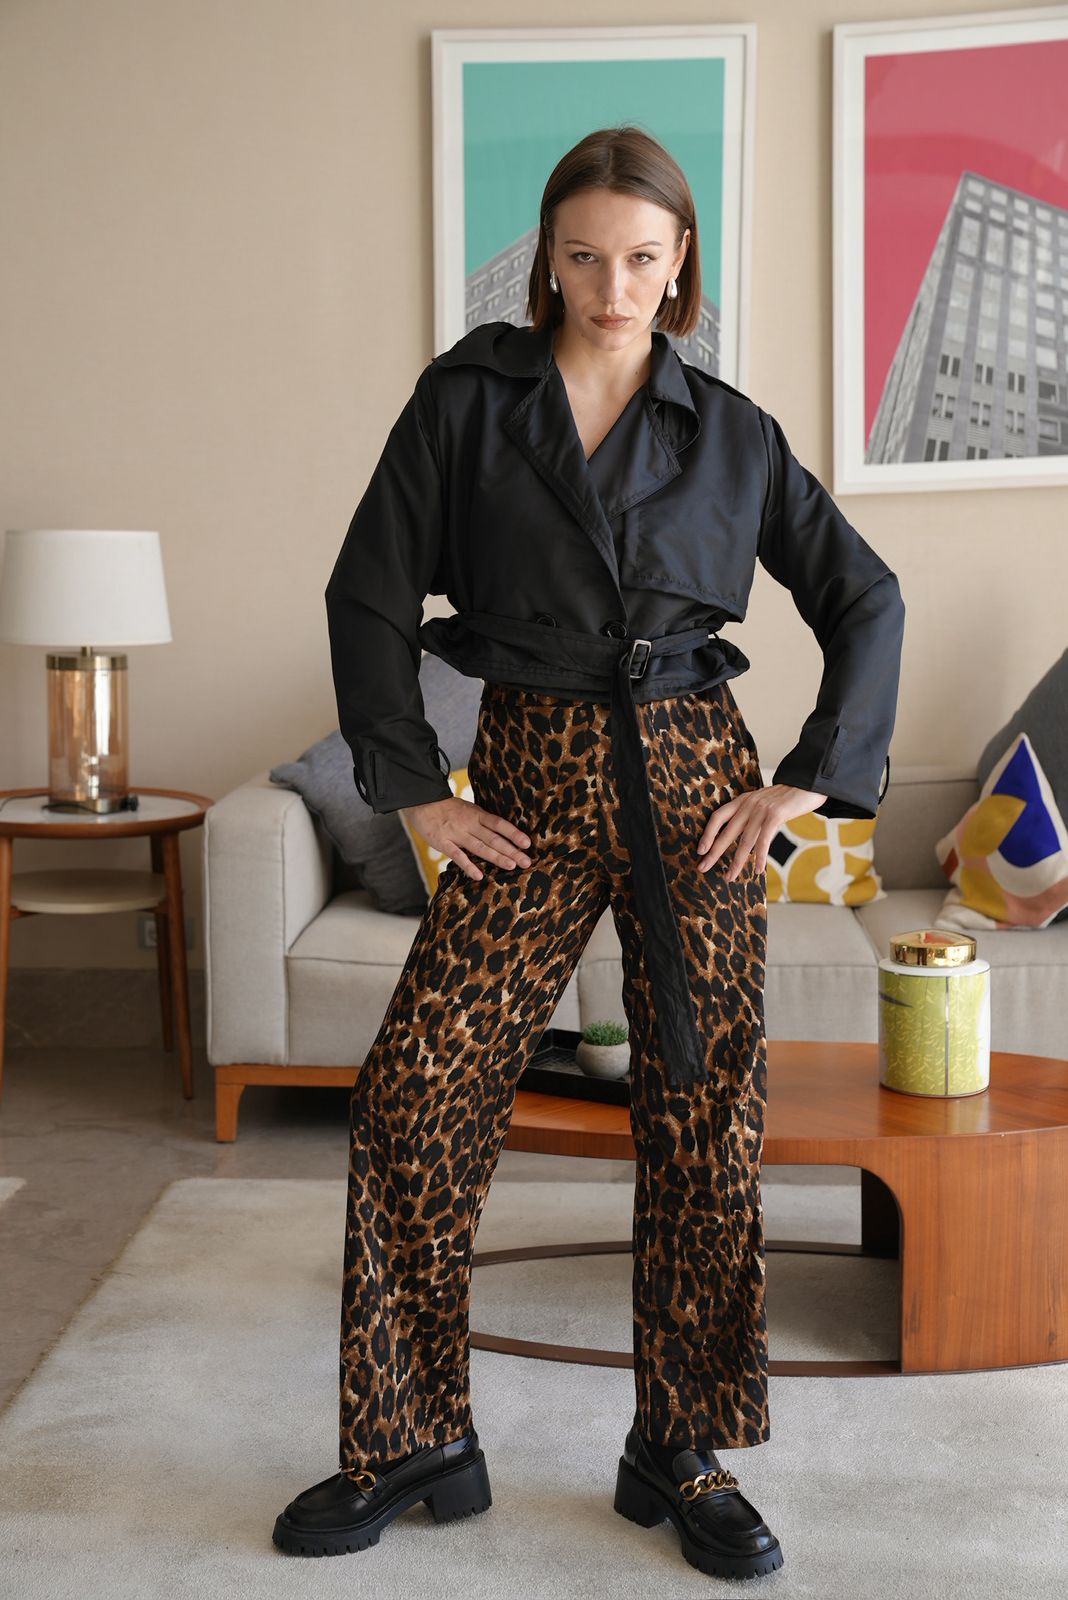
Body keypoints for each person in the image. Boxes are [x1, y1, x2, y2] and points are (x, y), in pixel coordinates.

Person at [272, 124, 905, 1580]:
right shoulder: (466, 402)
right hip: (530, 775)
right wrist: (415, 792)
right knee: (416, 1093)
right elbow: (368, 592)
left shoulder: (732, 430)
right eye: (583, 256)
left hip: (696, 785)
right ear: (546, 262)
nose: (613, 288)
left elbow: (865, 597)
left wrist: (807, 782)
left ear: (680, 266)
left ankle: (681, 1445)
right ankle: (411, 1438)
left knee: (703, 1113)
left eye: (642, 259)